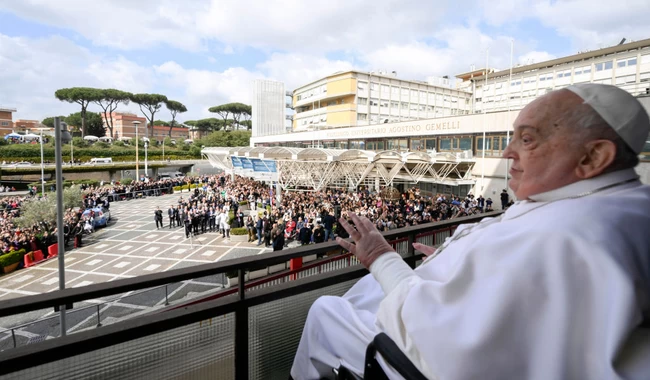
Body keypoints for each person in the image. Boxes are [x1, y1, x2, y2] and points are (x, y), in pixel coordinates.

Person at [290, 83, 650, 380]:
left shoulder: (564, 233)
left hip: (423, 361)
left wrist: (381, 257)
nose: (508, 152)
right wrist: (459, 265)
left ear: (593, 157)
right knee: (369, 288)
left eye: (527, 139)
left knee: (326, 310)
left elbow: (447, 344)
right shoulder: (618, 202)